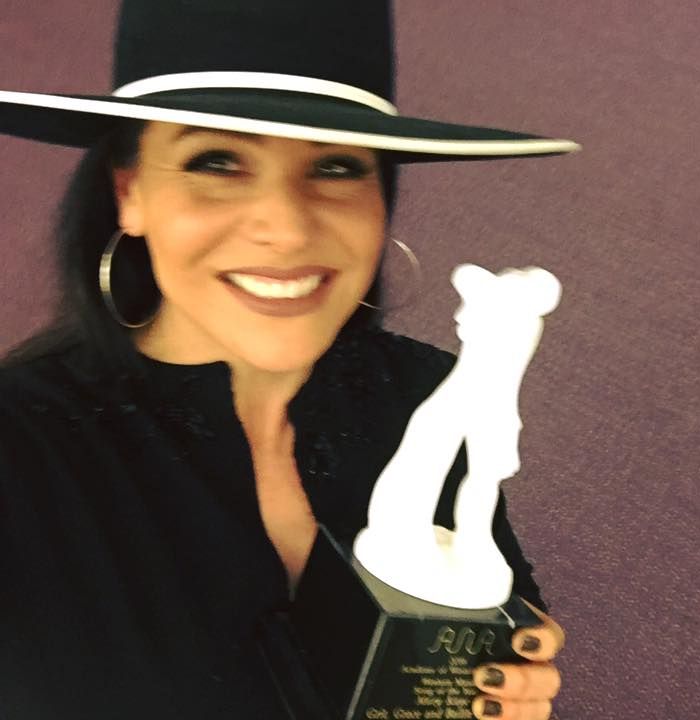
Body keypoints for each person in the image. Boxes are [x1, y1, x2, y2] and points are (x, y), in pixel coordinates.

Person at [0, 1, 578, 718]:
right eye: (217, 161)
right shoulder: (20, 452)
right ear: (131, 191)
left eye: (335, 166)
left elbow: (492, 636)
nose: (287, 227)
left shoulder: (424, 391)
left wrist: (507, 684)